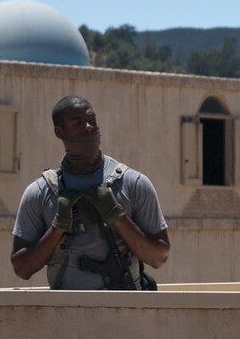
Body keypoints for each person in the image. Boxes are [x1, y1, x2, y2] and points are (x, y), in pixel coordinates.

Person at [12, 95, 170, 289]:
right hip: (65, 314)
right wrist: (57, 228)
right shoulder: (40, 192)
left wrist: (118, 217)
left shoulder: (133, 183)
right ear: (59, 132)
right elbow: (21, 268)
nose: (88, 127)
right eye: (77, 123)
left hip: (126, 311)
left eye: (91, 121)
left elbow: (159, 257)